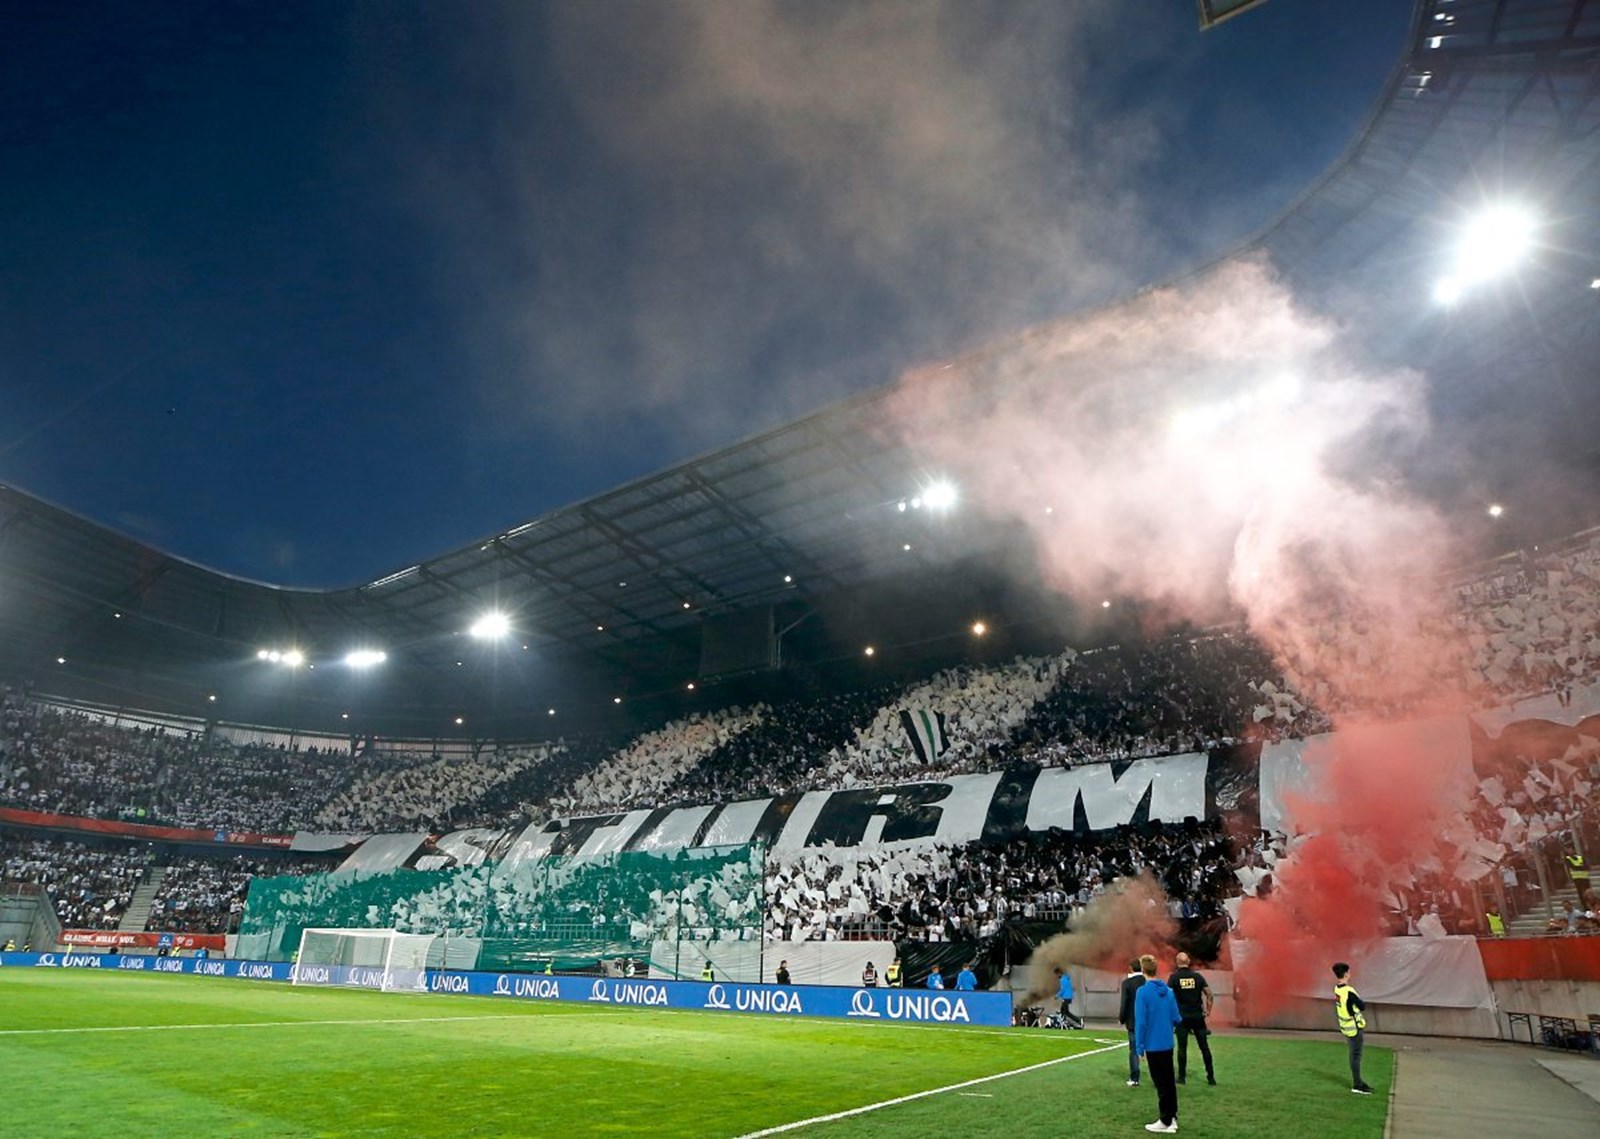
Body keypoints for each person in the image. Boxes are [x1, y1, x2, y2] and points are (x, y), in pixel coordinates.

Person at [1134, 954, 1183, 1133]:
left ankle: (1165, 1121)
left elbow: (1141, 1022)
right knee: (1169, 1082)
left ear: (1142, 970)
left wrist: (1139, 1047)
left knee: (1161, 1084)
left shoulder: (1143, 992)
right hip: (1167, 1043)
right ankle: (1172, 1118)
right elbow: (1177, 1017)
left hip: (1153, 1045)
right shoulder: (1169, 992)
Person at [1168, 951, 1215, 1086]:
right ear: (1188, 961)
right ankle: (1211, 1077)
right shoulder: (1197, 977)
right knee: (1204, 1047)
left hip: (1181, 1018)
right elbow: (1209, 995)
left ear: (1177, 962)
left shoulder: (1174, 978)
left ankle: (1181, 1078)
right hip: (1197, 1017)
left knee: (1182, 1048)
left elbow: (1168, 998)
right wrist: (1208, 1011)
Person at [1332, 961, 1374, 1095]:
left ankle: (1359, 1082)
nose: (1350, 974)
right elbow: (1362, 1006)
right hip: (1354, 1027)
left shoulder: (1337, 989)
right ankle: (1357, 1084)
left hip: (1345, 1027)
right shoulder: (1349, 991)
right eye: (1349, 971)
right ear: (1345, 974)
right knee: (1356, 1056)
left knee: (1353, 1055)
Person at [1118, 958, 1146, 1088]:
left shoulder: (1127, 983)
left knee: (1134, 1050)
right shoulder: (1147, 982)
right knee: (1155, 1050)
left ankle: (1135, 1078)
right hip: (1149, 1020)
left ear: (1130, 968)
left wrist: (1121, 1018)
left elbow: (1125, 1003)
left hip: (1133, 1021)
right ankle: (1161, 1077)